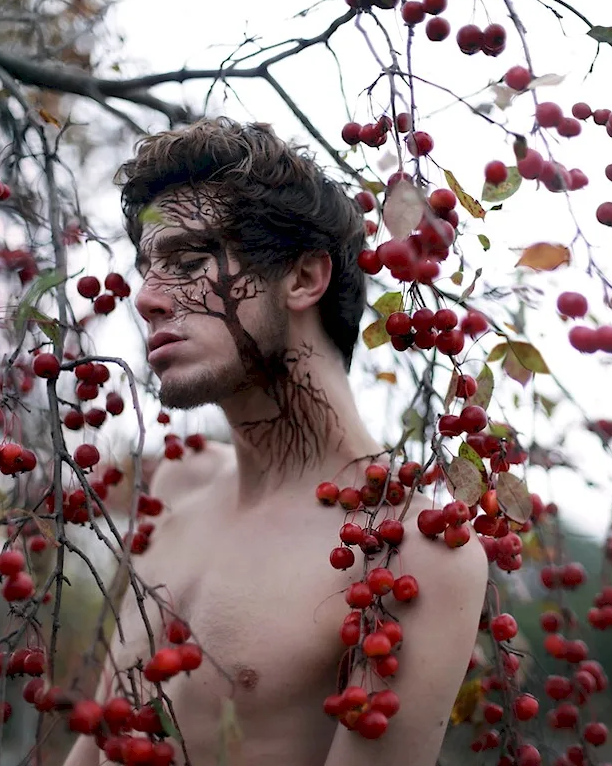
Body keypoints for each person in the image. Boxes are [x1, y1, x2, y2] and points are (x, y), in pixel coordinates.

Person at [64, 118, 488, 766]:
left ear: (302, 279)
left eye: (187, 261)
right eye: (147, 268)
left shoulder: (412, 547)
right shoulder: (175, 485)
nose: (146, 298)